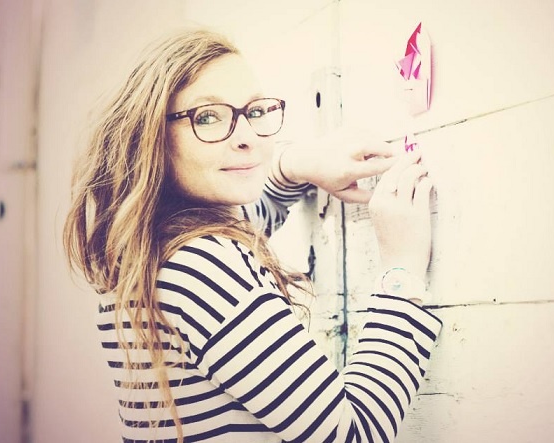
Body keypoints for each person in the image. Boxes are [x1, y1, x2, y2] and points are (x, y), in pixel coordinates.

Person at [64, 28, 442, 443]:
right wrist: (401, 272)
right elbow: (353, 434)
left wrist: (294, 166)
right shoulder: (199, 268)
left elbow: (249, 216)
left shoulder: (147, 247)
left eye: (255, 111)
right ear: (152, 136)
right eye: (208, 117)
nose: (246, 138)